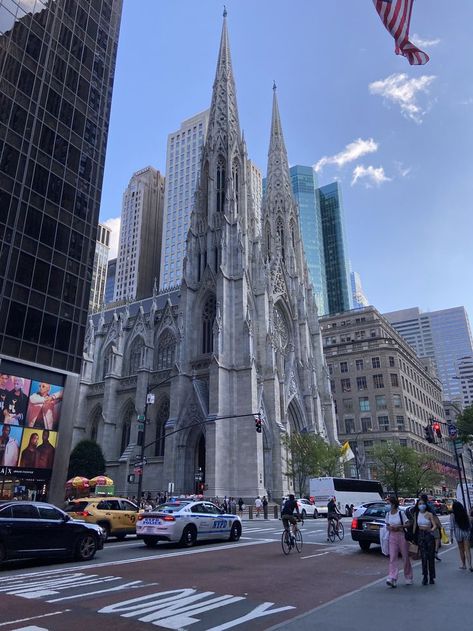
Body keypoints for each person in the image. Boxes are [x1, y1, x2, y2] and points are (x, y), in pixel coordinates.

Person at [385, 496, 413, 588]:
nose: (388, 505)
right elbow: (387, 525)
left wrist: (400, 526)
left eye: (389, 503)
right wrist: (390, 528)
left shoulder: (401, 513)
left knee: (405, 557)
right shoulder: (388, 514)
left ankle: (408, 576)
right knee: (392, 557)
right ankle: (392, 577)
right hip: (392, 536)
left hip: (401, 536)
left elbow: (408, 523)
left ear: (393, 504)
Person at [412, 498, 437, 585]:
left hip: (428, 535)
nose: (421, 505)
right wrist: (413, 537)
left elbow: (434, 525)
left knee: (430, 556)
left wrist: (431, 530)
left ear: (425, 505)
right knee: (423, 557)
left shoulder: (429, 514)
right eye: (419, 504)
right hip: (420, 535)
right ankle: (425, 576)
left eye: (423, 503)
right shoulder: (416, 514)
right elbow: (415, 526)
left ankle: (431, 577)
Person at [449, 500, 472, 571]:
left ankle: (463, 565)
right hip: (465, 531)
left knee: (461, 549)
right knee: (467, 549)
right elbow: (469, 524)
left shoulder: (452, 515)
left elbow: (451, 527)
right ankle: (470, 565)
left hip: (458, 532)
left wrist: (451, 537)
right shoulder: (465, 513)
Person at [420, 493, 442, 561]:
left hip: (423, 526)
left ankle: (427, 553)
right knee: (437, 538)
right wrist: (439, 525)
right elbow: (434, 515)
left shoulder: (419, 506)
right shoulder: (429, 506)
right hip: (432, 525)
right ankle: (435, 552)